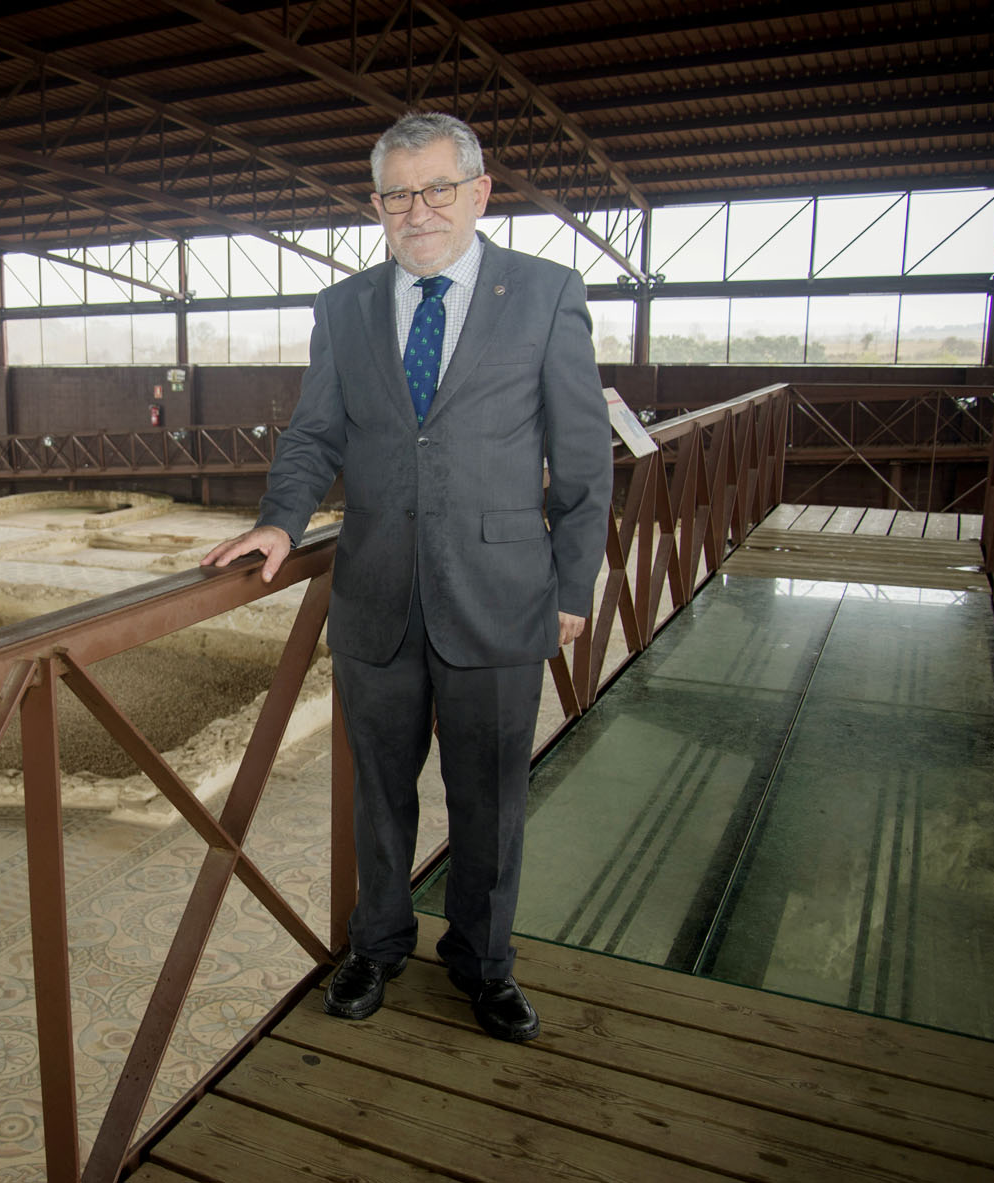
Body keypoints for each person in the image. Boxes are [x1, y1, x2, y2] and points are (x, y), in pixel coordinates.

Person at [202, 111, 612, 1042]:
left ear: (479, 192)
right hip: (378, 593)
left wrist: (574, 590)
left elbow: (585, 459)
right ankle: (377, 946)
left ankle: (483, 962)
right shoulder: (344, 306)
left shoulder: (547, 293)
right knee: (379, 794)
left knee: (492, 799)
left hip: (505, 597)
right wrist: (280, 521)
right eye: (396, 193)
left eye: (436, 188)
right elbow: (315, 433)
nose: (416, 210)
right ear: (376, 203)